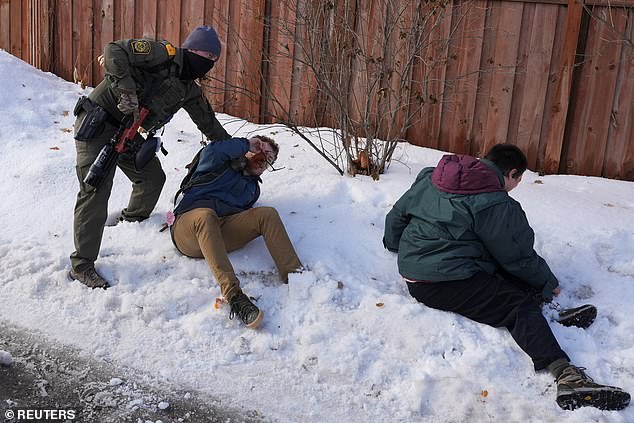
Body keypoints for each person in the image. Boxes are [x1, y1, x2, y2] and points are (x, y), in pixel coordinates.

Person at [383, 144, 630, 411]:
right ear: (512, 173)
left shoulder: (435, 176)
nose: (515, 185)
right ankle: (566, 375)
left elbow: (397, 216)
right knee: (516, 307)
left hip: (420, 267)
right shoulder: (495, 201)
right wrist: (549, 282)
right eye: (519, 179)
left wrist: (395, 245)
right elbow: (518, 256)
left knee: (498, 270)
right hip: (440, 282)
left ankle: (548, 317)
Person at [69, 25, 230, 289]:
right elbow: (114, 50)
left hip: (127, 133)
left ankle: (132, 221)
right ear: (190, 49)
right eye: (205, 55)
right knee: (95, 188)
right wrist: (127, 92)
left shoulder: (188, 89)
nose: (209, 62)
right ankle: (82, 265)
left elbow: (209, 124)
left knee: (153, 177)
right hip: (98, 123)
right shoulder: (161, 54)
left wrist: (238, 151)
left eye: (214, 59)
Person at [170, 135, 303, 329]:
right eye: (261, 150)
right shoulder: (217, 163)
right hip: (188, 229)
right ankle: (234, 297)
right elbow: (215, 149)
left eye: (269, 159)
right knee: (206, 216)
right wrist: (247, 144)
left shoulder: (252, 190)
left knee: (267, 214)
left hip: (218, 234)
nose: (263, 159)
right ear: (248, 150)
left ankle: (297, 278)